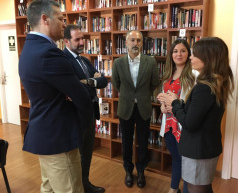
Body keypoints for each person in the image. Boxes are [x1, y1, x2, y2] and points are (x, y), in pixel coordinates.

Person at [19, 0, 93, 193]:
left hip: (45, 135)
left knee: (49, 188)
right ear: (45, 19)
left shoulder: (29, 48)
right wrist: (75, 94)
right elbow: (82, 96)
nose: (64, 24)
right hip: (59, 139)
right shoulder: (49, 53)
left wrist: (69, 93)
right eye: (60, 19)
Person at [157, 37, 234, 193]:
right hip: (205, 146)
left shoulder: (204, 87)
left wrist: (175, 103)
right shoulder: (214, 82)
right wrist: (176, 103)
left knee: (196, 187)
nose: (190, 57)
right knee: (203, 186)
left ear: (207, 58)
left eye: (194, 54)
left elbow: (190, 122)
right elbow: (197, 111)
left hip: (199, 148)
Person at [112, 30, 160, 188]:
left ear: (142, 43)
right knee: (126, 141)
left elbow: (154, 83)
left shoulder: (150, 61)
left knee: (143, 142)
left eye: (139, 40)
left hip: (143, 107)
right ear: (126, 43)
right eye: (132, 40)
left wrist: (143, 94)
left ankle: (141, 171)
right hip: (126, 107)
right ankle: (128, 170)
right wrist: (128, 95)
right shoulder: (118, 63)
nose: (135, 43)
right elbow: (116, 84)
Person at [64, 24, 107, 193]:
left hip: (89, 114)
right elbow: (75, 89)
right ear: (67, 41)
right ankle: (77, 187)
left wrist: (89, 81)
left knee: (87, 153)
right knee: (77, 156)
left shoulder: (84, 60)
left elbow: (103, 80)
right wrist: (92, 81)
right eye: (77, 39)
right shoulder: (64, 60)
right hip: (75, 116)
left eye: (83, 38)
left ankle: (85, 184)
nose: (82, 42)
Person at [159, 39, 197, 193]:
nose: (179, 54)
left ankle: (186, 190)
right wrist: (162, 107)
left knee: (187, 162)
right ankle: (174, 189)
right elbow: (164, 97)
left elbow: (193, 102)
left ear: (188, 54)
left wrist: (176, 103)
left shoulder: (193, 75)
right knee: (175, 158)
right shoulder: (168, 74)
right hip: (168, 124)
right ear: (171, 54)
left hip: (182, 125)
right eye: (175, 51)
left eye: (183, 50)